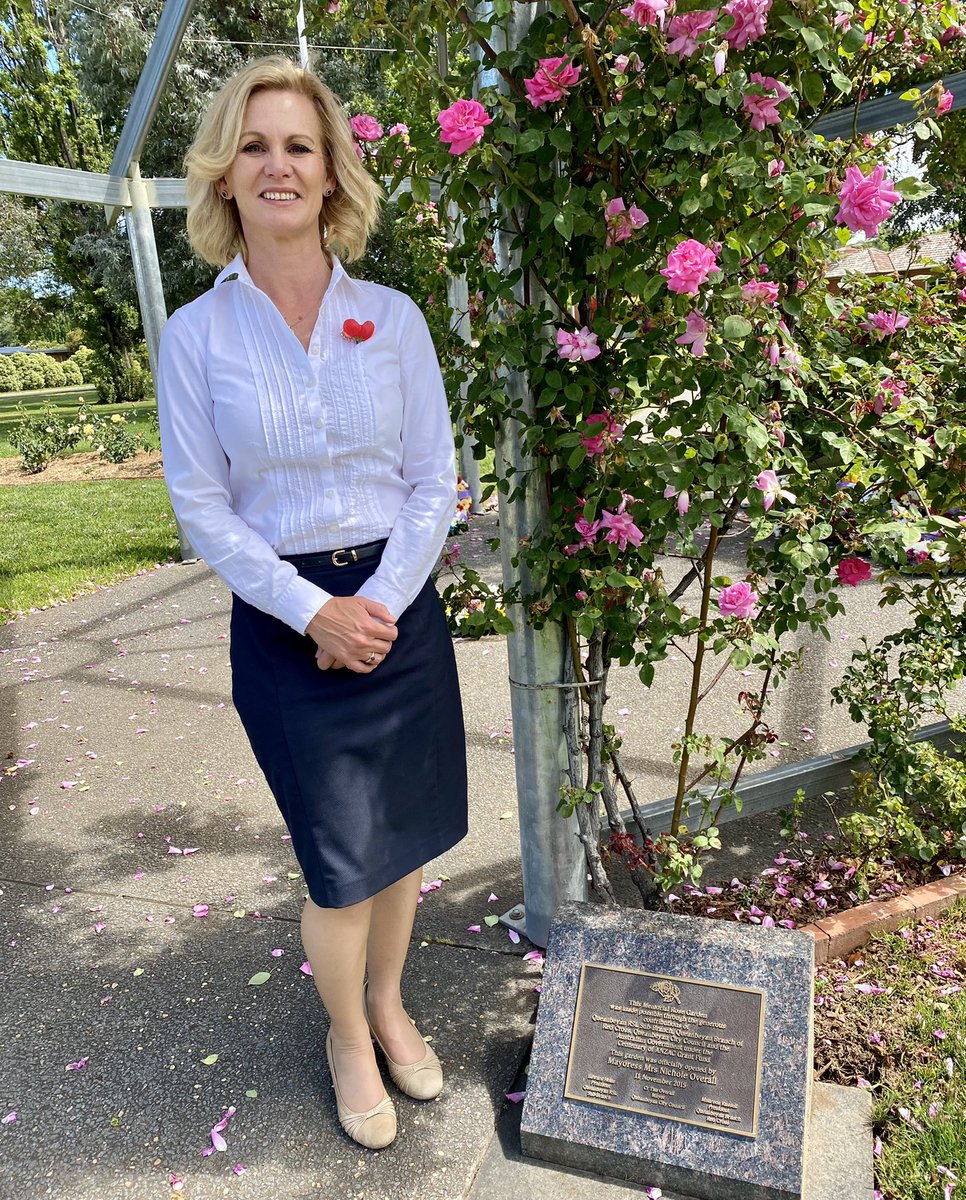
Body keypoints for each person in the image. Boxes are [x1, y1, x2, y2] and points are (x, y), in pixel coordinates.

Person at [156, 55, 468, 1151]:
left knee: (405, 841)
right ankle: (346, 1031)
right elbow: (202, 507)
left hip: (399, 605)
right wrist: (314, 613)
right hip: (289, 629)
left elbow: (436, 480)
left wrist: (375, 603)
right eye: (254, 144)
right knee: (340, 865)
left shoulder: (394, 316)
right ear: (223, 176)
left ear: (331, 172)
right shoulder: (198, 338)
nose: (277, 164)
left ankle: (389, 1001)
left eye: (298, 143)